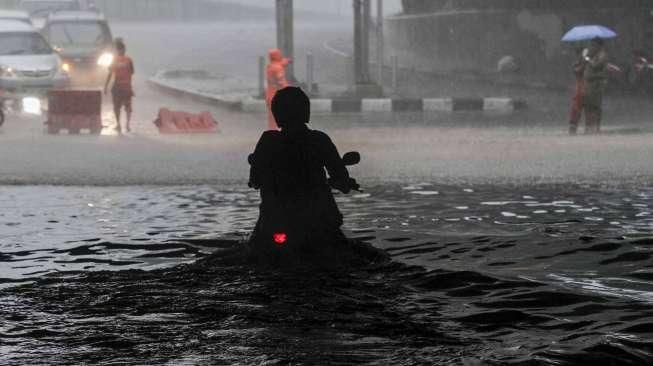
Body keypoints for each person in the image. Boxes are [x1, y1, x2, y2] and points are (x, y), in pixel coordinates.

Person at [247, 87, 359, 263]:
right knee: (346, 255)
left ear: (277, 114)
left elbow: (255, 180)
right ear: (306, 112)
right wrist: (345, 183)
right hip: (319, 222)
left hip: (276, 221)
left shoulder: (268, 140)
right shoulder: (319, 140)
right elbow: (340, 178)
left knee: (254, 252)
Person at [104, 38, 134, 134]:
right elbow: (132, 72)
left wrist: (105, 86)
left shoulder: (114, 60)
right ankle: (127, 124)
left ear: (117, 50)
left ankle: (119, 125)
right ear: (124, 50)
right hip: (126, 87)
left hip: (117, 87)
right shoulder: (129, 60)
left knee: (116, 107)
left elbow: (109, 74)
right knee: (128, 107)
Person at [582, 37, 608, 134]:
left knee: (596, 105)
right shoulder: (592, 54)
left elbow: (596, 65)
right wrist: (585, 58)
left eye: (593, 45)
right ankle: (588, 126)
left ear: (599, 45)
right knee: (587, 105)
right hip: (589, 83)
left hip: (597, 83)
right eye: (591, 45)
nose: (591, 47)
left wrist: (587, 58)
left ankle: (597, 127)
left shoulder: (602, 55)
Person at [265, 48, 290, 130]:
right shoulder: (278, 69)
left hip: (269, 96)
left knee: (272, 119)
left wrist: (286, 61)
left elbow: (279, 63)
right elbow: (281, 82)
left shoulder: (270, 66)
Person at [568, 47, 587, 135]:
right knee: (575, 109)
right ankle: (573, 128)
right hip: (579, 88)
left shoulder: (588, 62)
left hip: (588, 88)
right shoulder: (576, 64)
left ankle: (590, 128)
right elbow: (578, 71)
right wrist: (584, 62)